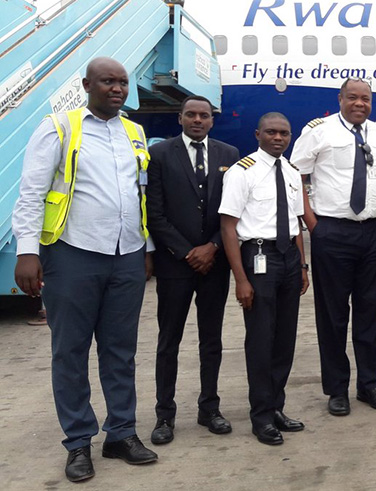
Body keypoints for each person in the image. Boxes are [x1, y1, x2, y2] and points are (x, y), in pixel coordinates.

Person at [12, 57, 158, 482]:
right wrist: (28, 251)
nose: (117, 88)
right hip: (72, 253)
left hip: (127, 254)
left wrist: (145, 248)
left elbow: (139, 195)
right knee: (70, 352)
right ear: (87, 85)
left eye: (123, 82)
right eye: (108, 81)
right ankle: (78, 442)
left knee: (120, 351)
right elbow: (32, 191)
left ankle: (121, 434)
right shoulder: (59, 127)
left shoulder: (135, 131)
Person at [290, 78, 376, 416]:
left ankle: (368, 385)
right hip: (332, 232)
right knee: (333, 315)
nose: (359, 104)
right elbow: (295, 177)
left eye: (365, 99)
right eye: (353, 98)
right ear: (340, 99)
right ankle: (337, 389)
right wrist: (313, 224)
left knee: (370, 313)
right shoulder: (319, 131)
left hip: (374, 232)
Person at [146, 95, 240, 445]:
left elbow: (233, 210)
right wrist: (188, 252)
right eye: (191, 115)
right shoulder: (160, 155)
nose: (197, 120)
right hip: (176, 265)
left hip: (215, 264)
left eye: (204, 115)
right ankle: (164, 415)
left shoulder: (229, 155)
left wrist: (213, 246)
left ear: (212, 120)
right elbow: (154, 213)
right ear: (180, 118)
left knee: (211, 340)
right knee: (169, 341)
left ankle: (209, 408)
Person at [219, 112, 308, 445]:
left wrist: (302, 266)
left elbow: (296, 222)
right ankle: (260, 417)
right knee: (260, 339)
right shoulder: (242, 172)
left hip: (288, 258)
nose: (278, 138)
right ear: (258, 134)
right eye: (271, 132)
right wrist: (240, 279)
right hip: (257, 258)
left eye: (284, 133)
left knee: (284, 338)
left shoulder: (291, 171)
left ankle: (276, 407)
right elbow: (228, 227)